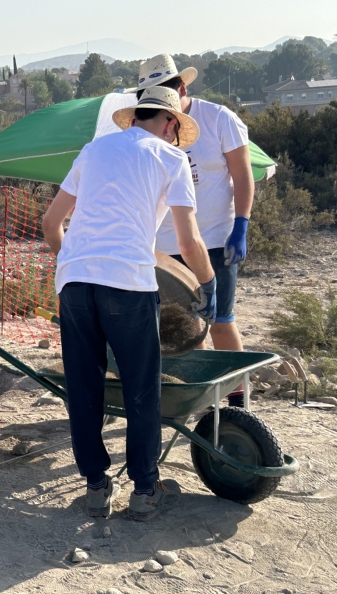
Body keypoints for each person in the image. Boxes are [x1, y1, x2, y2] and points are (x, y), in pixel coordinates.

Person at [41, 86, 217, 521]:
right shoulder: (171, 159)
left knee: (83, 387)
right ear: (171, 123)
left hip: (76, 282)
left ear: (137, 116)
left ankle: (97, 488)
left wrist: (75, 267)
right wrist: (210, 286)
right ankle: (144, 489)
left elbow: (50, 223)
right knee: (142, 386)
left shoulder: (95, 150)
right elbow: (189, 240)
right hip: (128, 284)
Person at [136, 54, 254, 407]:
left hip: (215, 241)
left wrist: (241, 225)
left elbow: (242, 175)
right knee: (183, 330)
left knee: (220, 319)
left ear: (182, 87)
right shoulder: (146, 129)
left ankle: (238, 405)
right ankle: (196, 401)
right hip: (164, 247)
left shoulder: (219, 118)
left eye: (166, 91)